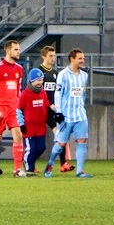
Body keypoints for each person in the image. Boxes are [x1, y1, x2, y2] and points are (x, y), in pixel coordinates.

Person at [44, 49, 93, 178]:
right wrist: (59, 111)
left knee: (82, 141)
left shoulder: (84, 75)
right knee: (60, 145)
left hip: (80, 114)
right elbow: (58, 93)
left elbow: (83, 93)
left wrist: (82, 105)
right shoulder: (63, 75)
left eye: (83, 58)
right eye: (80, 58)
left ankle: (80, 171)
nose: (83, 61)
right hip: (66, 115)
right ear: (72, 59)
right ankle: (50, 163)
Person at [0, 40, 25, 177]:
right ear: (8, 51)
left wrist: (20, 107)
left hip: (13, 108)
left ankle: (17, 169)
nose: (18, 52)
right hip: (0, 107)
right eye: (16, 49)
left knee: (18, 135)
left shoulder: (19, 69)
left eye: (19, 49)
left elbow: (18, 89)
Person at [38, 45, 74, 173]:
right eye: (50, 56)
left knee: (61, 135)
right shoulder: (38, 71)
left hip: (53, 111)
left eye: (54, 56)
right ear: (43, 56)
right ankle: (30, 165)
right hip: (41, 109)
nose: (53, 58)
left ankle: (63, 163)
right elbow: (37, 91)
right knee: (35, 139)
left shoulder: (55, 73)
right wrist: (48, 103)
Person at [18, 68, 51, 177]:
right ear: (31, 81)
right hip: (29, 127)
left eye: (41, 80)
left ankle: (28, 161)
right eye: (37, 80)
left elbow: (46, 107)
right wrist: (21, 124)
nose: (40, 82)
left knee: (41, 147)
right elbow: (19, 110)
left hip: (41, 127)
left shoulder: (43, 93)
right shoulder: (25, 94)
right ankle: (29, 169)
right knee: (30, 149)